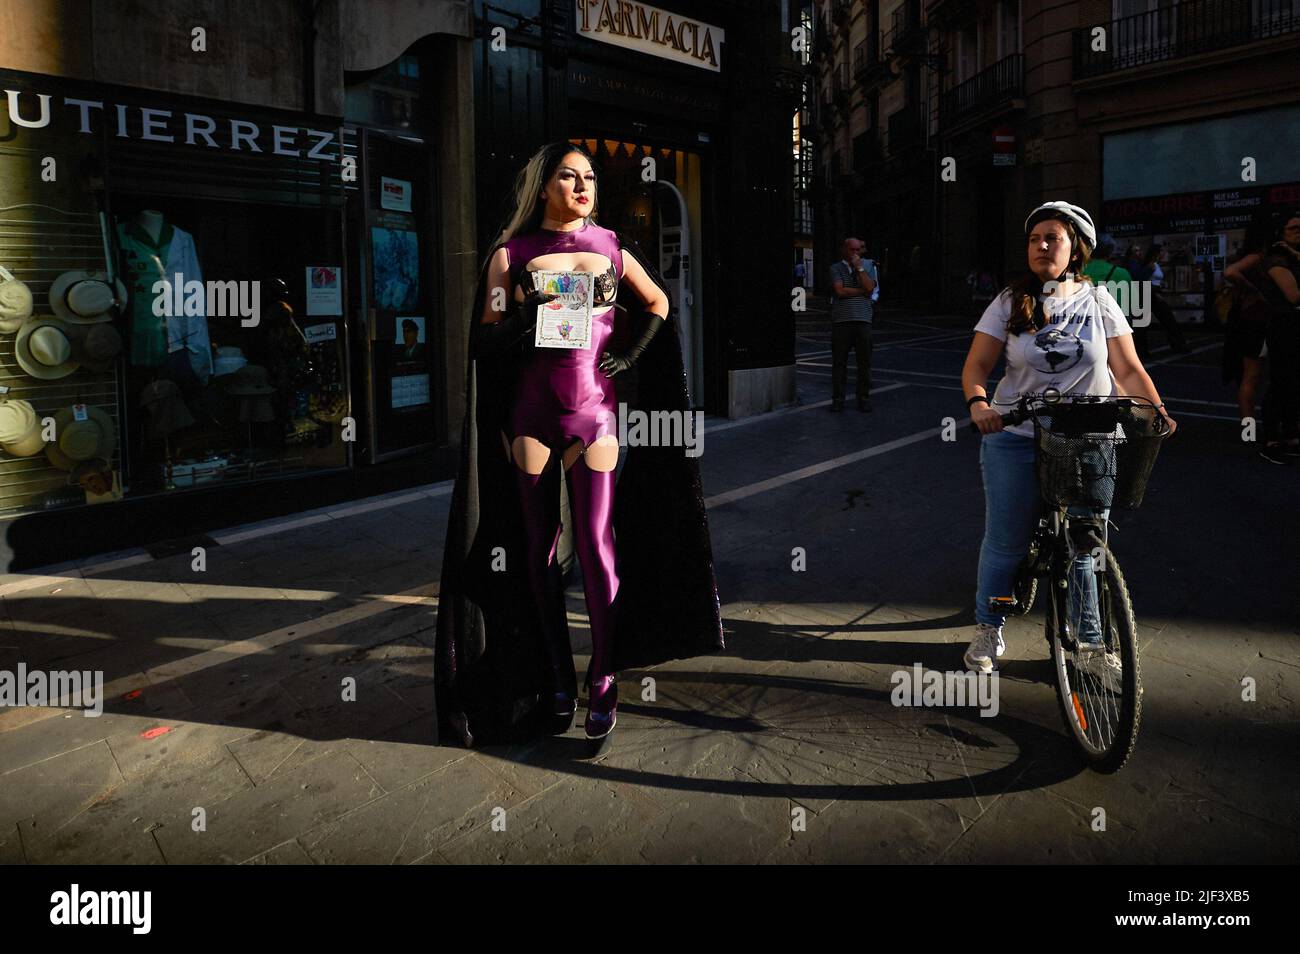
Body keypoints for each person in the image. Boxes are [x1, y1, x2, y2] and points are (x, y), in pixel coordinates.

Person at [435, 142, 723, 750]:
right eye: (570, 176)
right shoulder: (510, 256)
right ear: (544, 187)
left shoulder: (611, 246)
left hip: (595, 412)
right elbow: (485, 341)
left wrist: (630, 354)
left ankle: (605, 677)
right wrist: (524, 311)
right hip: (531, 418)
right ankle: (557, 681)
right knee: (538, 551)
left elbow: (660, 303)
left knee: (595, 544)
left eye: (590, 177)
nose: (584, 186)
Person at [960, 201, 1177, 678]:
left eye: (1051, 238)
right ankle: (988, 624)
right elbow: (977, 366)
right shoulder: (1009, 300)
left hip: (1089, 435)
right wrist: (980, 406)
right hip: (1016, 433)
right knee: (1006, 542)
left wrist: (1156, 410)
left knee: (1086, 545)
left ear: (1075, 247)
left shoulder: (1100, 300)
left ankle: (1092, 645)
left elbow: (1126, 368)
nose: (1040, 246)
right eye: (1034, 238)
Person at [1222, 214, 1280, 439]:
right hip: (1257, 323)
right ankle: (1250, 430)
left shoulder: (1252, 255)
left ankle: (1250, 429)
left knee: (1250, 377)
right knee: (1252, 377)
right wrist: (1255, 290)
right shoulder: (1258, 257)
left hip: (1249, 322)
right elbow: (1230, 273)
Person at [1257, 212, 1300, 462]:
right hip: (1284, 327)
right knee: (1282, 381)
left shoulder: (1292, 259)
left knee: (1292, 382)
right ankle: (1272, 438)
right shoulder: (1275, 261)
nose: (1298, 231)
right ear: (1280, 233)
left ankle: (1291, 433)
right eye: (1292, 228)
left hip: (1292, 325)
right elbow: (1293, 295)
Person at [829, 236, 878, 412]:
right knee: (839, 363)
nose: (856, 253)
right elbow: (840, 291)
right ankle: (838, 400)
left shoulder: (868, 266)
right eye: (852, 250)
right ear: (845, 249)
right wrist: (861, 291)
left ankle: (863, 398)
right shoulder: (836, 267)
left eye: (858, 250)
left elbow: (870, 288)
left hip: (863, 320)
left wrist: (859, 268)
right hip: (841, 321)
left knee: (864, 363)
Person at [1134, 243, 1189, 355]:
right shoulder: (1151, 265)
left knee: (1165, 321)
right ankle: (1177, 345)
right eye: (1162, 251)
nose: (1164, 253)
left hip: (1153, 294)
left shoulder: (1155, 264)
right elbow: (1142, 280)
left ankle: (1176, 345)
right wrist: (1155, 290)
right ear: (1157, 253)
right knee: (1166, 320)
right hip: (1150, 294)